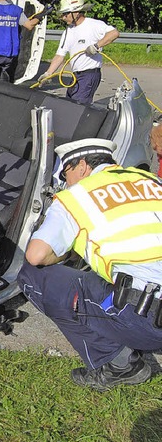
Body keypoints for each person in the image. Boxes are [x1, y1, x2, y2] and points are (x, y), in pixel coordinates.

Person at [19, 138, 162, 392]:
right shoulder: (151, 181)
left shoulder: (75, 197)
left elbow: (36, 255)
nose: (65, 181)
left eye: (66, 173)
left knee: (33, 276)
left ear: (82, 165)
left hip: (150, 320)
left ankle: (120, 366)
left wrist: (66, 254)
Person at [38, 0, 119, 105]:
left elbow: (114, 33)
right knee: (69, 103)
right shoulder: (68, 31)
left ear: (76, 12)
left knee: (78, 106)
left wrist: (96, 46)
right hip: (76, 75)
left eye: (66, 14)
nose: (63, 17)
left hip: (89, 74)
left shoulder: (93, 25)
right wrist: (48, 74)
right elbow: (60, 55)